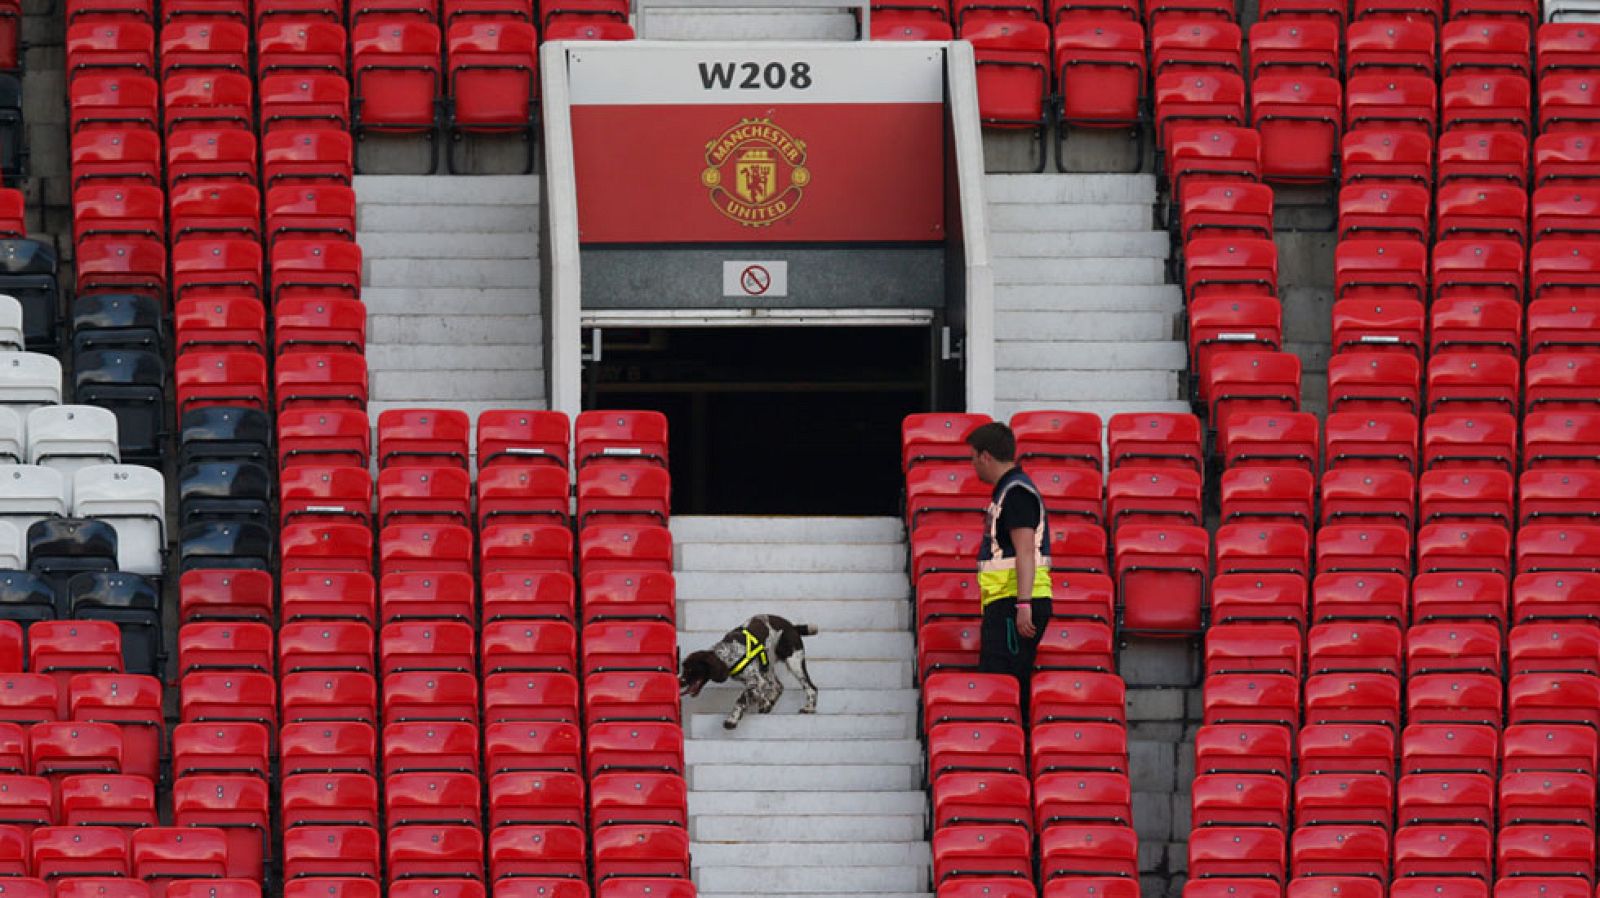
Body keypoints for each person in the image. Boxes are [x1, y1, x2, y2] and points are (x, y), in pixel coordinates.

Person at [967, 422, 1054, 699]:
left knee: (1000, 685)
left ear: (985, 456)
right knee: (1008, 682)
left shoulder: (1015, 493)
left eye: (973, 458)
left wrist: (1023, 604)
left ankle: (1011, 740)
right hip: (1009, 602)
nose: (973, 465)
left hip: (1013, 603)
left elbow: (1025, 550)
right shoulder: (1011, 490)